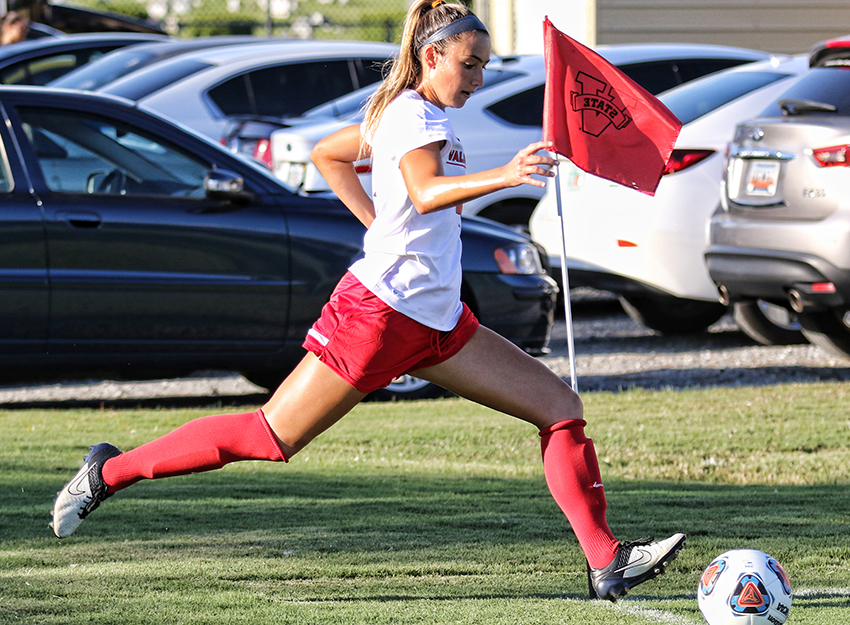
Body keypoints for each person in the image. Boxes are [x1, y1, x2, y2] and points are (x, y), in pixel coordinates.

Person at [51, 0, 685, 602]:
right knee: (270, 437)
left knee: (559, 407)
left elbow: (329, 155)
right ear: (432, 56)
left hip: (438, 321)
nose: (479, 77)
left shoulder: (409, 112)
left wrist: (376, 223)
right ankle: (108, 472)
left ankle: (607, 560)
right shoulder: (415, 115)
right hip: (377, 316)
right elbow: (428, 189)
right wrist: (508, 175)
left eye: (486, 64)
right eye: (471, 63)